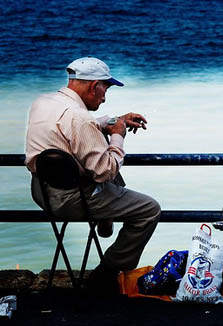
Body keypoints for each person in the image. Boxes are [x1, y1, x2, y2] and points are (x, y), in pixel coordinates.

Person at [25, 57, 161, 291]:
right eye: (105, 89)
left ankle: (106, 217)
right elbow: (107, 170)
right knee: (149, 209)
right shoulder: (80, 119)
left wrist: (113, 121)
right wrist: (118, 135)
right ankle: (108, 270)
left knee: (95, 156)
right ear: (93, 85)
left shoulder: (43, 102)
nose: (105, 96)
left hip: (41, 191)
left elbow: (69, 129)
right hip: (73, 199)